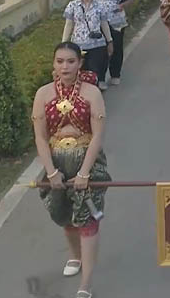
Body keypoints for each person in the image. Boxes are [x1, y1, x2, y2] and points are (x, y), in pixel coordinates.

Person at [31, 43, 111, 298]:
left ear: (80, 64)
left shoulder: (92, 93)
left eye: (70, 61)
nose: (65, 67)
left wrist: (86, 172)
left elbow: (97, 135)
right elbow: (41, 138)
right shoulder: (43, 94)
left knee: (86, 218)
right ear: (53, 64)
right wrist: (52, 172)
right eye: (60, 61)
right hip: (56, 162)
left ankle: (86, 282)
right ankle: (74, 256)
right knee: (64, 214)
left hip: (87, 160)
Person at [63, 0, 114, 91]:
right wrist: (64, 43)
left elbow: (104, 24)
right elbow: (69, 25)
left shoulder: (100, 6)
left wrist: (109, 40)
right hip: (78, 44)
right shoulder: (73, 5)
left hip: (97, 43)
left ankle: (96, 86)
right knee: (81, 68)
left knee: (96, 67)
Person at [92, 0, 134, 86]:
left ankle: (115, 73)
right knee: (101, 50)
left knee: (116, 48)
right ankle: (101, 78)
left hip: (116, 20)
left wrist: (122, 5)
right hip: (99, 21)